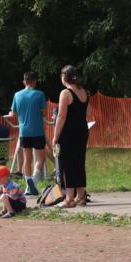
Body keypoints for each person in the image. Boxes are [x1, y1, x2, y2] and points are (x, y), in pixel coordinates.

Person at [52, 65, 90, 208]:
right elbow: (88, 113)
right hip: (82, 130)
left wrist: (55, 136)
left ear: (65, 77)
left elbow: (61, 116)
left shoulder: (65, 93)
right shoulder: (85, 92)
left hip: (68, 132)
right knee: (79, 162)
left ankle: (69, 199)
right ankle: (81, 196)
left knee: (67, 164)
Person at [5, 72, 48, 196]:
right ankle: (33, 181)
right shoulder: (40, 94)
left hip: (24, 131)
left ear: (24, 82)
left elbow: (13, 114)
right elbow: (44, 112)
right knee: (40, 158)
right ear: (35, 81)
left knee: (27, 158)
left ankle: (28, 183)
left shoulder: (17, 95)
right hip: (38, 130)